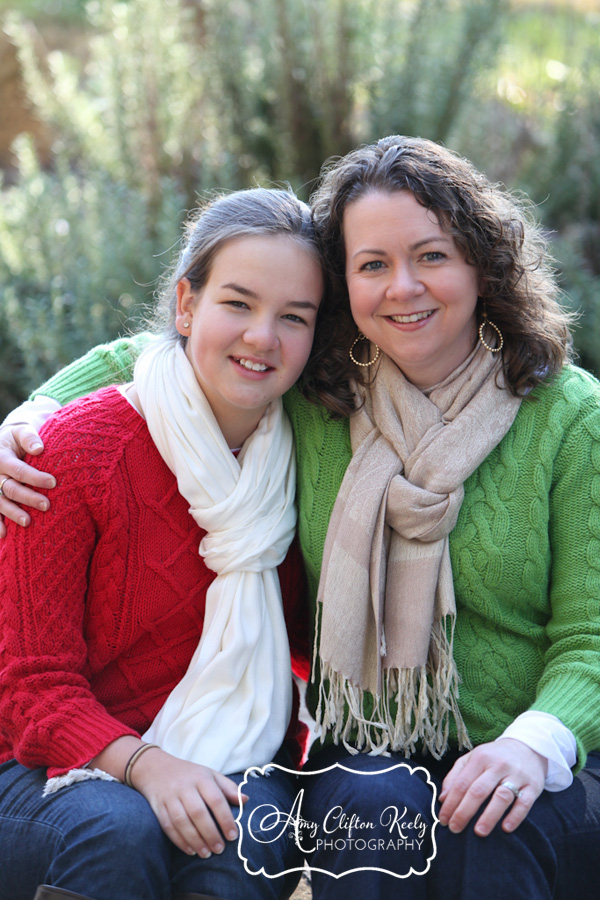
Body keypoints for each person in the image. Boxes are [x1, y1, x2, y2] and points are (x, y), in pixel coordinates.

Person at [3, 136, 600, 899]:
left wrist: (532, 745)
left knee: (488, 831)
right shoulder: (327, 397)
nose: (404, 287)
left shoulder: (567, 417)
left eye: (433, 256)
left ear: (481, 262)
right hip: (375, 747)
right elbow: (174, 352)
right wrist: (35, 413)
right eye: (373, 264)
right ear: (346, 284)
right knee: (367, 809)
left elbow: (590, 636)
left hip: (533, 744)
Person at [0, 186, 330, 900]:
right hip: (39, 766)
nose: (262, 337)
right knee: (118, 829)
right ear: (186, 306)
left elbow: (307, 646)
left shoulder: (308, 458)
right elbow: (32, 689)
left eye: (293, 317)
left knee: (247, 838)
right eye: (237, 304)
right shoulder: (69, 452)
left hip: (231, 754)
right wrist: (149, 766)